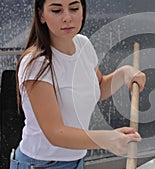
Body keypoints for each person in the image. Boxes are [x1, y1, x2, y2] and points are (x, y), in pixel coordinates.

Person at [10, 0, 146, 168]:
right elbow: (55, 133)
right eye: (57, 10)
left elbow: (99, 88)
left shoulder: (83, 44)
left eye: (74, 8)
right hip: (40, 164)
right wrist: (106, 140)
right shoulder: (36, 63)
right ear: (41, 15)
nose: (67, 18)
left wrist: (124, 73)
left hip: (76, 161)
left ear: (83, 11)